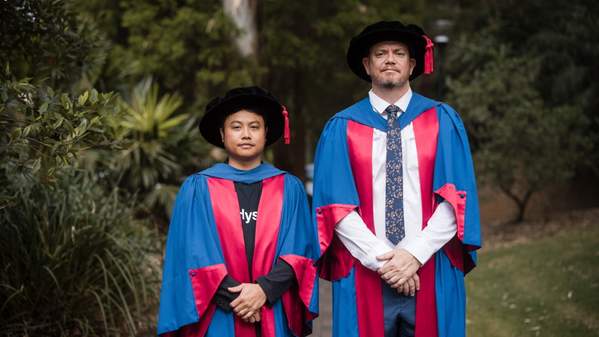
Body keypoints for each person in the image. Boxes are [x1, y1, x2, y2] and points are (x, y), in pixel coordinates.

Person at [312, 21, 482, 337]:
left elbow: (456, 199)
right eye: (380, 53)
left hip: (431, 266)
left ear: (412, 64)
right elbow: (335, 207)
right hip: (364, 270)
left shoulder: (441, 120)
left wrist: (414, 254)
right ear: (367, 64)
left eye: (399, 53)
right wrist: (388, 263)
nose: (390, 59)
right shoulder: (341, 127)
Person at [157, 86, 319, 337]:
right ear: (222, 134)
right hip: (218, 312)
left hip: (271, 306)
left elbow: (299, 253)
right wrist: (241, 299)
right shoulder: (198, 187)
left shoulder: (289, 188)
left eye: (254, 126)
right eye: (236, 127)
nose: (246, 134)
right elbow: (191, 254)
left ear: (266, 133)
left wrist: (263, 290)